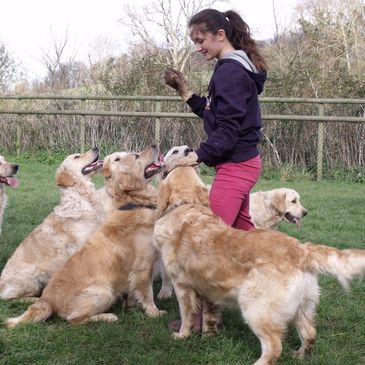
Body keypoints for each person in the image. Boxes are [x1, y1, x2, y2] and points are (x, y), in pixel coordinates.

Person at [164, 8, 268, 333]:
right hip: (242, 163)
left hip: (235, 167)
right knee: (242, 238)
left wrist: (195, 157)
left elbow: (227, 130)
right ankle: (268, 290)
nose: (198, 47)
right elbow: (216, 114)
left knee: (207, 243)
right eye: (194, 42)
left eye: (201, 40)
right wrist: (186, 95)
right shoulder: (232, 68)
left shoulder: (230, 73)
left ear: (220, 35)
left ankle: (202, 320)